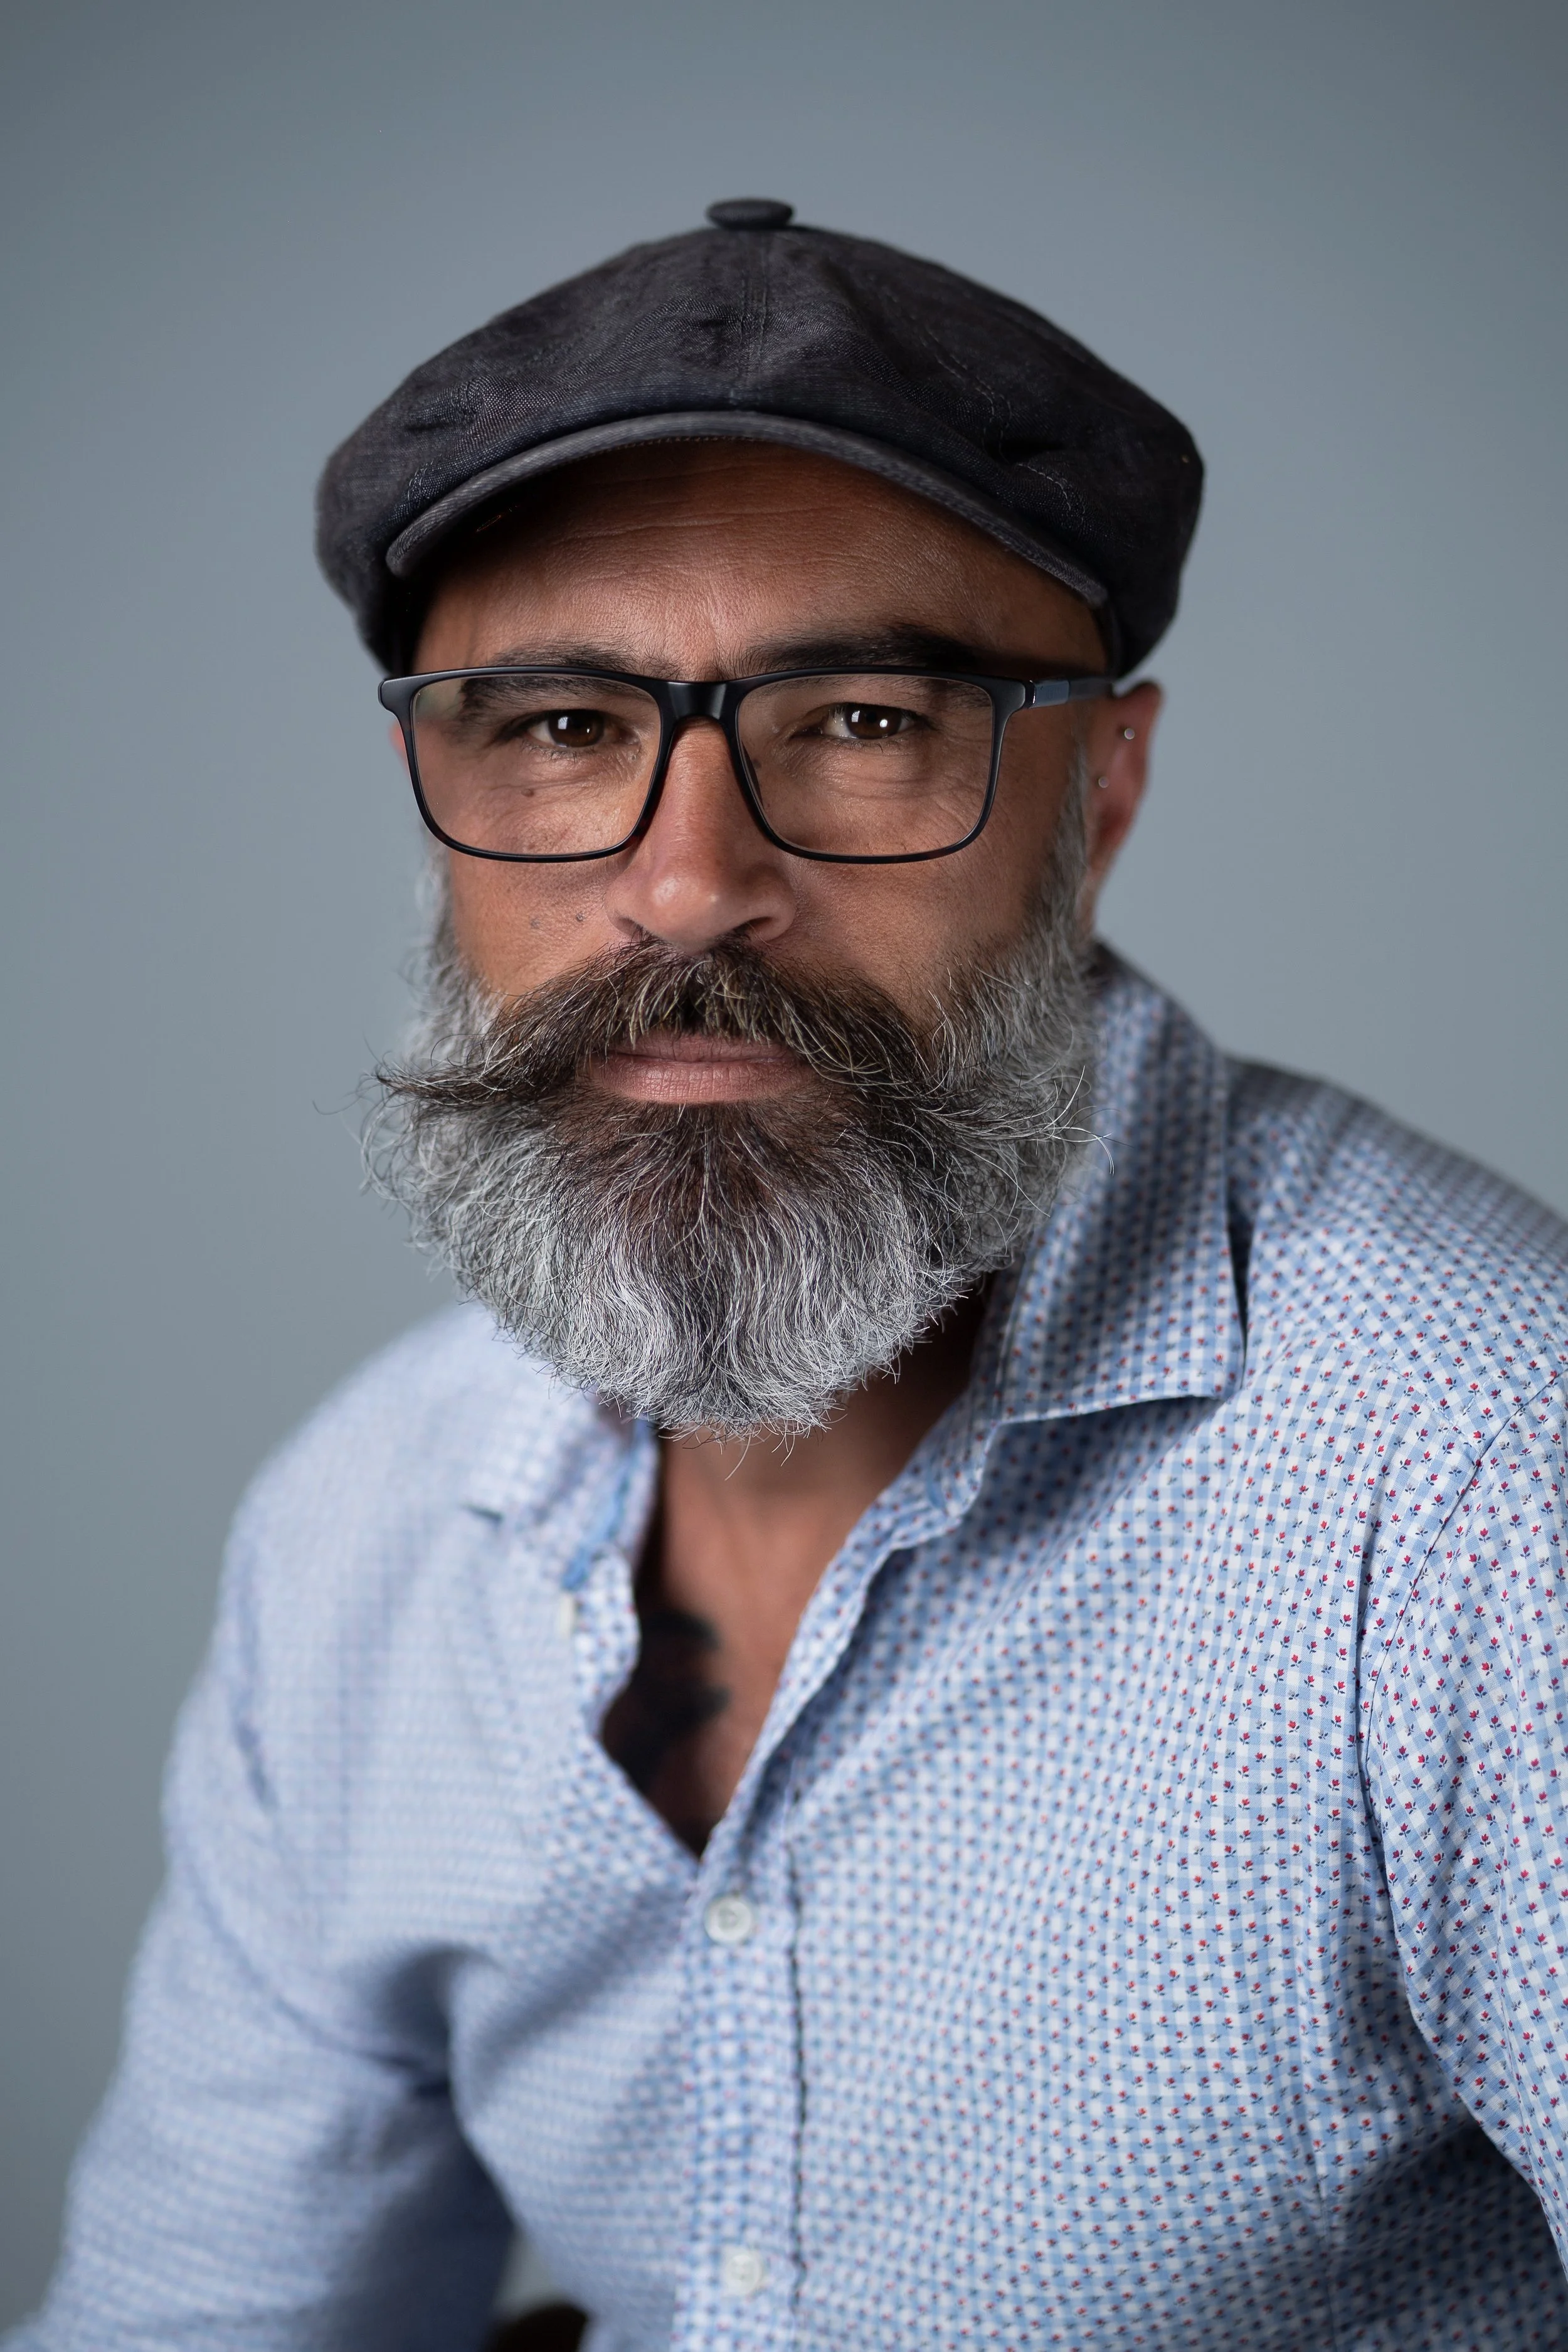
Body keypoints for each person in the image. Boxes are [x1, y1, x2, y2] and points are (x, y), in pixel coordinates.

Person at [11, 199, 1568, 2352]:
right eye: (557, 727)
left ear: (1098, 788)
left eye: (855, 722)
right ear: (432, 793)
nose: (683, 882)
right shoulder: (356, 1543)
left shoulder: (1480, 1485)